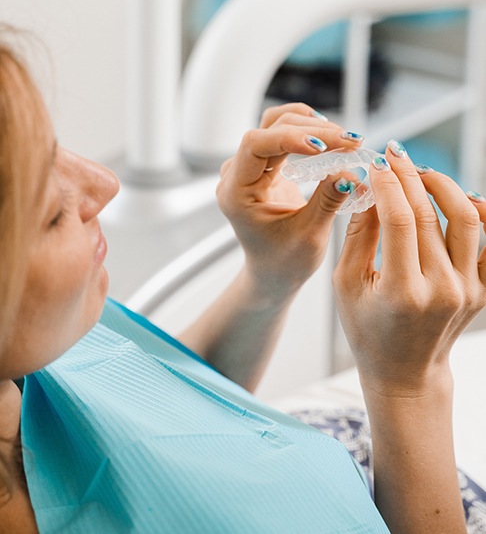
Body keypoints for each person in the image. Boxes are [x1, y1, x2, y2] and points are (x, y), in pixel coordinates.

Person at [0, 27, 485, 534]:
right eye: (52, 210)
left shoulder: (36, 345)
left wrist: (272, 277)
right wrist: (411, 385)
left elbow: (159, 414)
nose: (105, 183)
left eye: (54, 148)